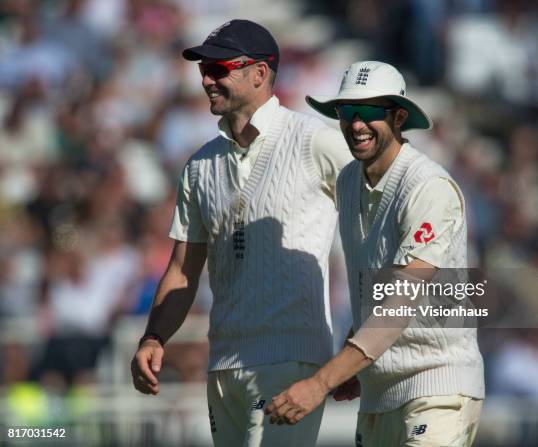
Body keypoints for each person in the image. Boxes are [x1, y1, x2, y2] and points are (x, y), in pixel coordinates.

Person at [130, 19, 351, 446]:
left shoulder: (314, 141)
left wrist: (357, 346)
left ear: (260, 73)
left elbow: (380, 210)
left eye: (219, 69)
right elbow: (181, 271)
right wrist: (154, 337)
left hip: (291, 358)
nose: (207, 80)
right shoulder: (200, 165)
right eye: (203, 70)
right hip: (224, 363)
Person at [265, 61, 485, 446]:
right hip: (378, 391)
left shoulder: (427, 186)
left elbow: (400, 301)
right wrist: (353, 365)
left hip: (438, 383)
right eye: (348, 112)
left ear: (399, 117)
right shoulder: (350, 180)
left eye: (369, 112)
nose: (356, 124)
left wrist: (321, 382)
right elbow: (376, 294)